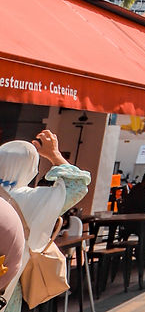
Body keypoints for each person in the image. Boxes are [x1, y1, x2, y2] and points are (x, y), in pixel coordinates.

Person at [0, 131, 91, 312]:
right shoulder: (32, 199)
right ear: (31, 169)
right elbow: (77, 186)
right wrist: (54, 155)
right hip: (10, 280)